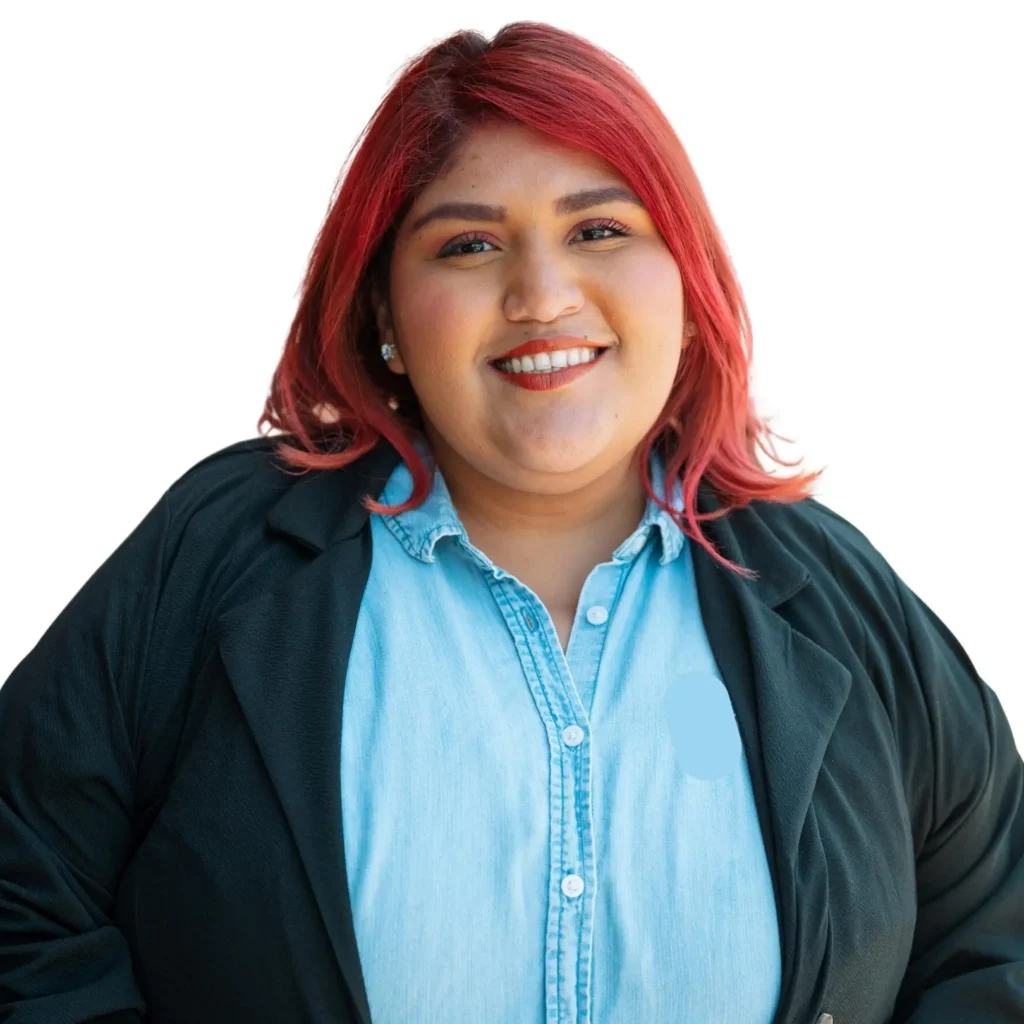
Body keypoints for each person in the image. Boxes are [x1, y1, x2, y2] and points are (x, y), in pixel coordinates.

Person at [1, 20, 1020, 1024]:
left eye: (599, 230)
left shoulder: (836, 595)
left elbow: (996, 927)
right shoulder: (219, 554)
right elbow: (19, 888)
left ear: (686, 283)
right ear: (384, 315)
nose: (540, 295)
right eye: (470, 243)